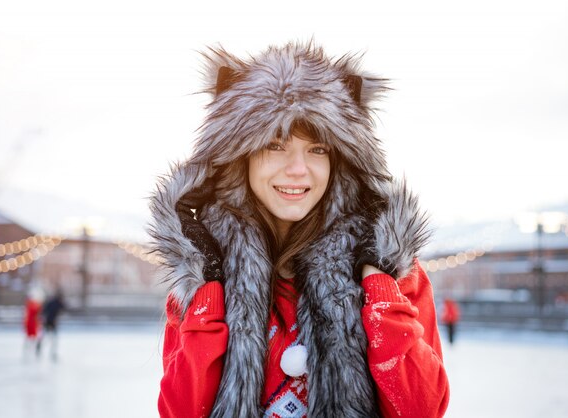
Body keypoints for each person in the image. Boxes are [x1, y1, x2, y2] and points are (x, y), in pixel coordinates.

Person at [150, 41, 450, 418]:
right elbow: (181, 410)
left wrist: (380, 291)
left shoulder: (391, 268)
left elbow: (423, 410)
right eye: (275, 145)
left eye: (318, 149)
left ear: (340, 162)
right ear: (240, 157)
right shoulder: (201, 273)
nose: (297, 169)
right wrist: (209, 292)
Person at [37, 287, 66, 360]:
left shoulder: (53, 302)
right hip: (50, 322)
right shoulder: (56, 302)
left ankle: (42, 347)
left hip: (49, 322)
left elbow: (44, 311)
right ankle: (42, 347)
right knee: (51, 337)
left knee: (50, 337)